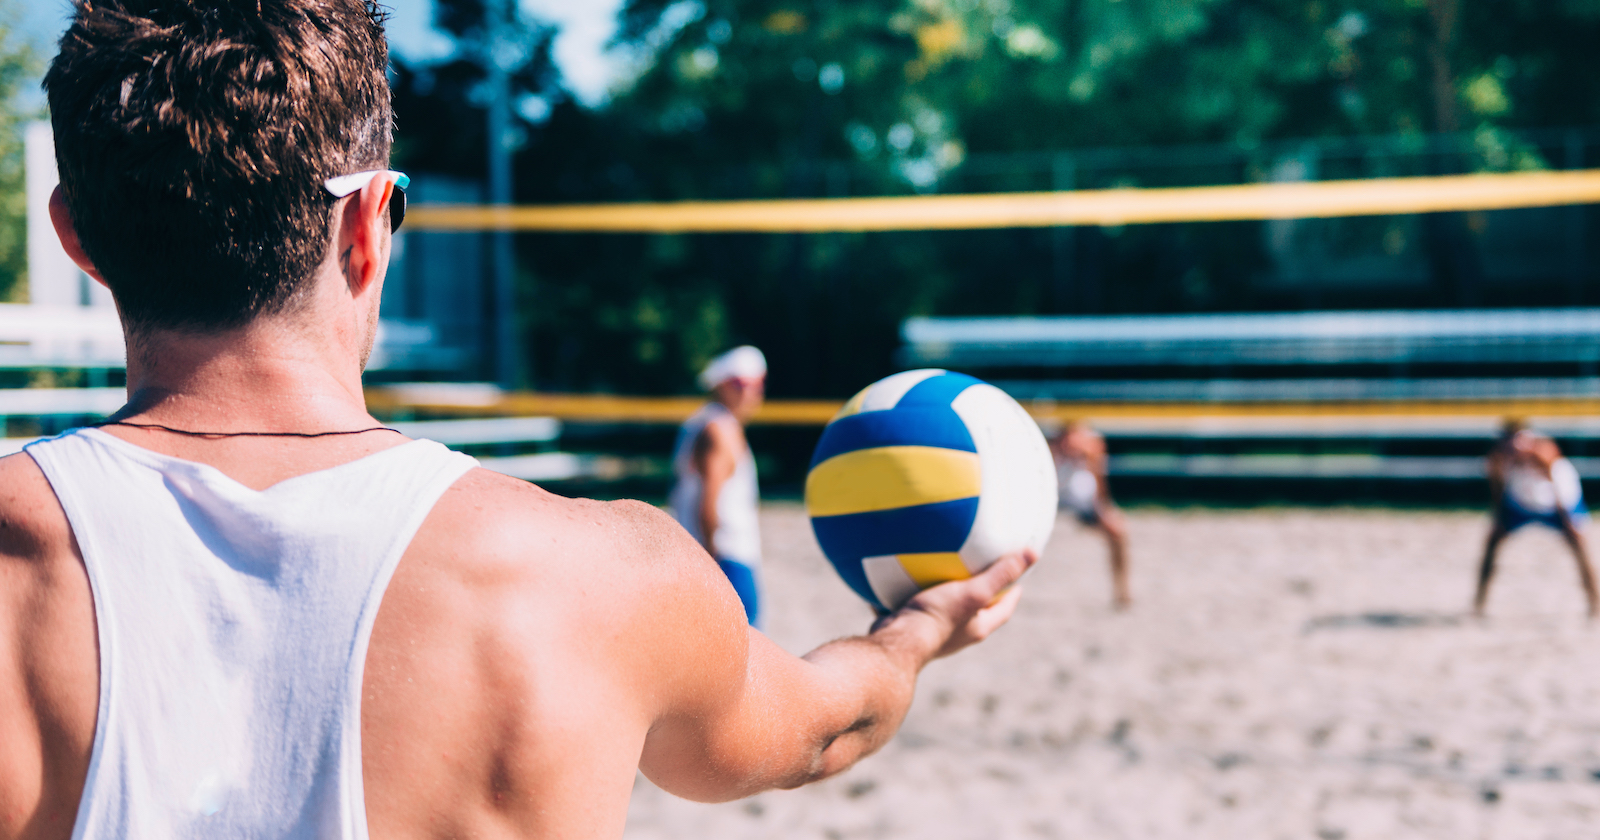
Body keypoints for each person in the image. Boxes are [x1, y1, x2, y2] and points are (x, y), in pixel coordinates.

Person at [0, 3, 1035, 838]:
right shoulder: (600, 576)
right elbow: (820, 732)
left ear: (77, 237)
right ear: (370, 225)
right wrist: (910, 636)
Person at [670, 346, 767, 626]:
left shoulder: (702, 422)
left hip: (713, 554)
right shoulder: (720, 429)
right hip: (726, 557)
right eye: (741, 384)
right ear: (721, 385)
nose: (752, 392)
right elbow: (708, 504)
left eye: (758, 383)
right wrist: (711, 565)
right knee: (748, 654)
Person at [1474, 418, 1599, 617]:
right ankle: (1478, 604)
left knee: (1579, 545)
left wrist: (1568, 520)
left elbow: (1558, 486)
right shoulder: (1497, 458)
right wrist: (1499, 515)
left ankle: (1595, 604)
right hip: (1521, 503)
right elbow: (1497, 489)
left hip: (1557, 502)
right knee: (1492, 543)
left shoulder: (1541, 451)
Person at [1050, 420, 1131, 609]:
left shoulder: (1092, 451)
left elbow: (1100, 486)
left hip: (1083, 506)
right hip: (1054, 504)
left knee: (1118, 532)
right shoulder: (1050, 451)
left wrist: (1104, 509)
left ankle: (1122, 590)